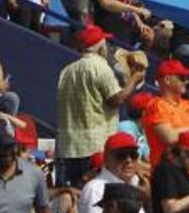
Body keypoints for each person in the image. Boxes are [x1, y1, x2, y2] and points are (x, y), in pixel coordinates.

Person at [56, 26, 144, 187]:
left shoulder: (66, 71)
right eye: (106, 44)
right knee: (96, 193)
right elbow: (116, 99)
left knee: (76, 193)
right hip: (94, 145)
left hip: (69, 146)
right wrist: (134, 80)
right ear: (101, 47)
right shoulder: (101, 67)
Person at [139, 59, 189, 166]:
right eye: (182, 78)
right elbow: (169, 137)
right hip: (166, 171)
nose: (187, 81)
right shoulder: (156, 105)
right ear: (167, 80)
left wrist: (178, 132)